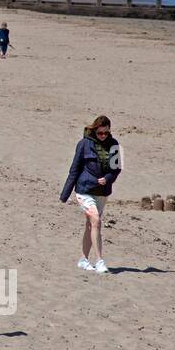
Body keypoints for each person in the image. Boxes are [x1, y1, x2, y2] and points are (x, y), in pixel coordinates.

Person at [60, 116, 121, 274]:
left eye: (106, 133)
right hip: (84, 190)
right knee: (96, 221)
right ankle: (100, 261)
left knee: (90, 225)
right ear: (95, 130)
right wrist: (65, 195)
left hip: (102, 193)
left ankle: (83, 259)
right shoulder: (84, 144)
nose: (103, 136)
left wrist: (107, 178)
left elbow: (116, 169)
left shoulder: (114, 145)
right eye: (100, 133)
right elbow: (74, 170)